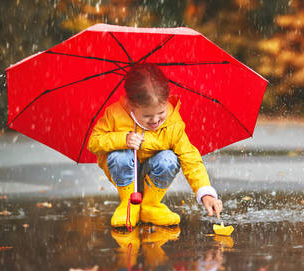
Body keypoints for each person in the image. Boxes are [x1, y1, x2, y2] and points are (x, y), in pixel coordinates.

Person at [87, 63, 222, 227]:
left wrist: (205, 193)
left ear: (166, 101)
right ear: (131, 104)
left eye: (161, 113)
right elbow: (94, 142)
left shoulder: (173, 123)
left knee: (170, 159)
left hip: (153, 172)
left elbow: (190, 158)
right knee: (119, 155)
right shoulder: (115, 114)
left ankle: (150, 205)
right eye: (147, 116)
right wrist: (123, 139)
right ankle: (128, 205)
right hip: (125, 171)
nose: (155, 120)